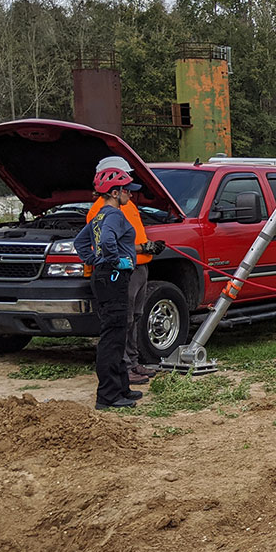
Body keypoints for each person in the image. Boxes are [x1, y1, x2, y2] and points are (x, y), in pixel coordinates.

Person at [87, 156, 165, 385]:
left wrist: (146, 247)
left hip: (139, 266)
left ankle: (132, 361)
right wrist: (143, 246)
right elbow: (105, 245)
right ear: (114, 188)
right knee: (123, 318)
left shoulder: (126, 204)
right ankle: (123, 368)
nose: (130, 188)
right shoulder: (100, 210)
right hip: (122, 271)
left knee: (135, 317)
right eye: (126, 183)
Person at [73, 167, 144, 410]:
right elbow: (106, 241)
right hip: (114, 277)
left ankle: (122, 387)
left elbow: (80, 242)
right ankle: (108, 395)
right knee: (113, 337)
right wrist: (114, 261)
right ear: (115, 192)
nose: (130, 195)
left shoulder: (100, 216)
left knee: (117, 330)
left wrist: (92, 260)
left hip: (105, 277)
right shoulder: (114, 215)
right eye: (127, 191)